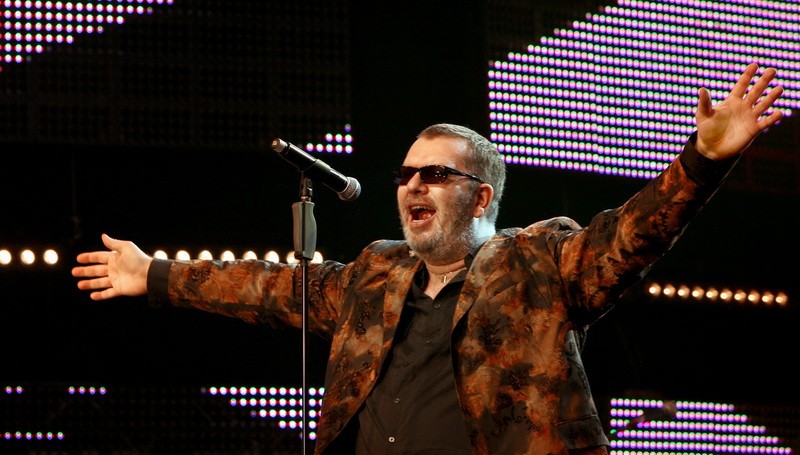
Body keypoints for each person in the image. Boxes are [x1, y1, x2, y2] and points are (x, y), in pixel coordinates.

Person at [72, 62, 784, 454]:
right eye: (406, 175)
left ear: (480, 198)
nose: (412, 185)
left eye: (435, 174)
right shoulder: (375, 274)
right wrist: (153, 273)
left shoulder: (538, 261)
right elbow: (266, 286)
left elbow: (632, 234)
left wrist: (701, 160)